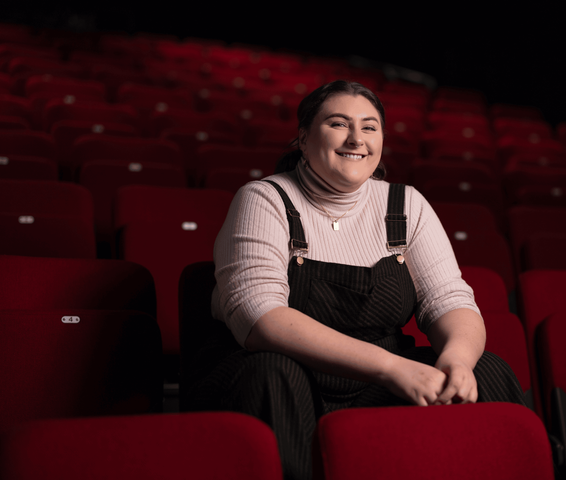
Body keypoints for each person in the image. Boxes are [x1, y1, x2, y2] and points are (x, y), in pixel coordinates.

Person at [188, 80, 525, 480]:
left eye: (369, 127)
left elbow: (450, 300)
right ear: (302, 137)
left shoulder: (406, 204)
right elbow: (258, 316)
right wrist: (391, 368)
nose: (356, 139)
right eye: (338, 124)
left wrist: (457, 360)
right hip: (288, 376)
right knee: (273, 374)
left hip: (376, 384)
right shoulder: (264, 198)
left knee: (486, 370)